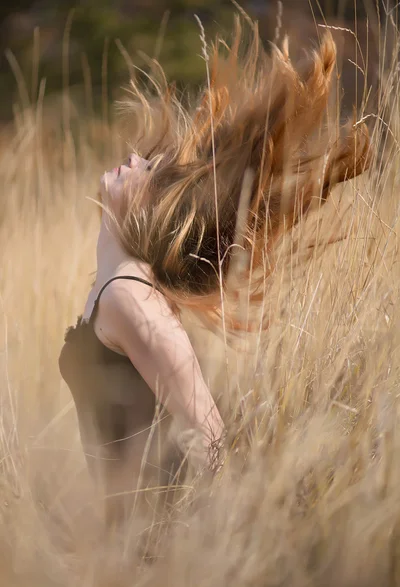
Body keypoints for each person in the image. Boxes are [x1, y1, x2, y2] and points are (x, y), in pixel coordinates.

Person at [59, 19, 370, 525]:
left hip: (152, 539)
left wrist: (199, 543)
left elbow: (209, 435)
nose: (134, 160)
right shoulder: (113, 288)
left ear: (153, 208)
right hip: (120, 533)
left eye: (149, 171)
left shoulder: (130, 297)